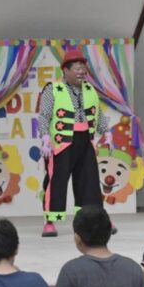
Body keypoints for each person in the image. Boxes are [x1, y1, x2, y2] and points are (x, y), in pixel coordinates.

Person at [37, 49, 110, 238]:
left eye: (83, 70)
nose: (81, 73)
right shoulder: (51, 88)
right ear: (66, 70)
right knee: (56, 182)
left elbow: (99, 113)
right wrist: (45, 137)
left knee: (89, 182)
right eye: (77, 69)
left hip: (85, 140)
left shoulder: (89, 88)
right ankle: (49, 221)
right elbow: (44, 115)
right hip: (61, 142)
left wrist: (107, 132)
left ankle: (93, 220)